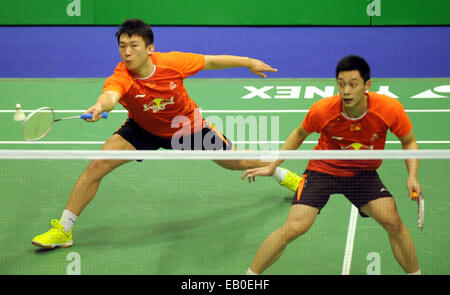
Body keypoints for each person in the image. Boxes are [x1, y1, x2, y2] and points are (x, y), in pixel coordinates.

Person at [242, 55, 422, 275]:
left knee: (392, 220)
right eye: (341, 84)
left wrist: (412, 175)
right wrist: (273, 165)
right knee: (294, 227)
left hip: (362, 173)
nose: (346, 91)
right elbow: (299, 134)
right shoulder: (323, 110)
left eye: (353, 84)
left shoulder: (388, 109)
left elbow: (408, 140)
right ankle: (248, 278)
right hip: (323, 169)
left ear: (367, 85)